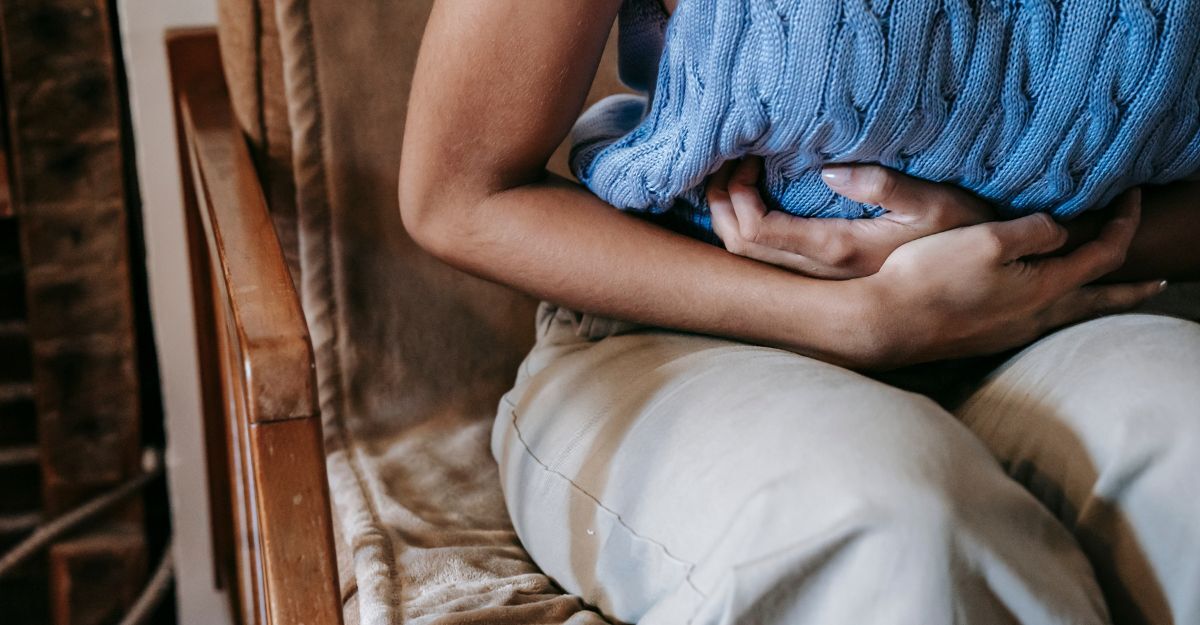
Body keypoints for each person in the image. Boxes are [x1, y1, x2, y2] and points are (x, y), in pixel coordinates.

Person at [398, 1, 1200, 623]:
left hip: (1054, 315)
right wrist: (857, 319)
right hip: (690, 336)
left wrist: (1012, 248)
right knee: (901, 534)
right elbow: (458, 196)